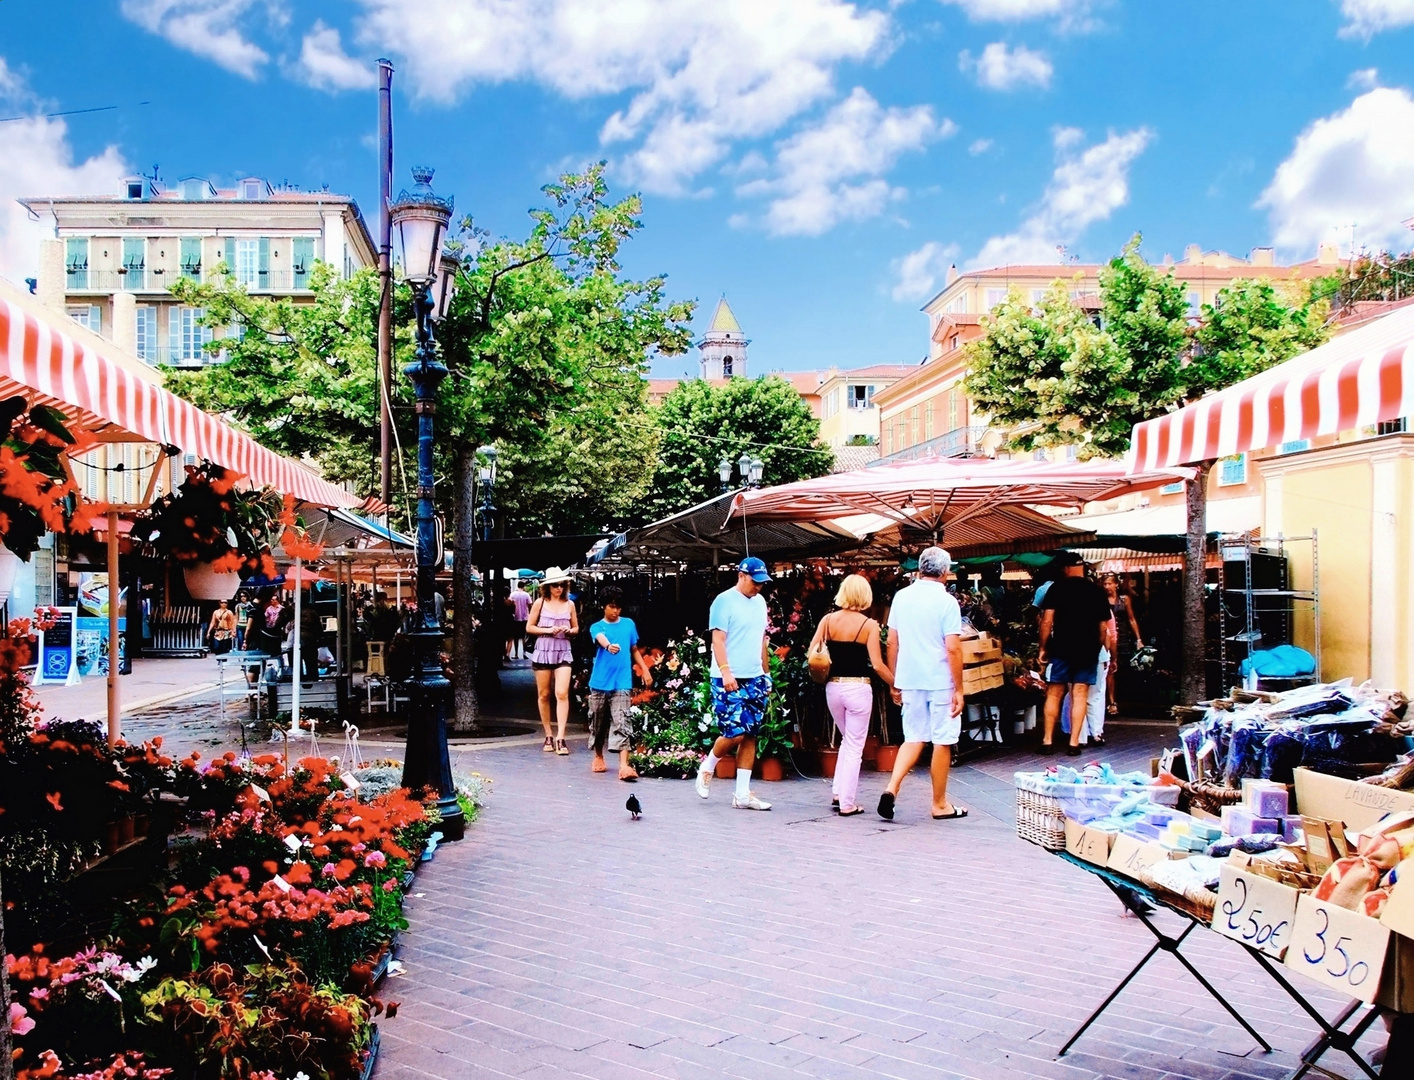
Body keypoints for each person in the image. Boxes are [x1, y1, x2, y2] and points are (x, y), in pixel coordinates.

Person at [878, 547, 966, 822]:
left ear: (920, 568)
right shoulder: (947, 603)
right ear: (945, 572)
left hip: (910, 677)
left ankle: (891, 788)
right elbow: (953, 648)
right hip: (940, 679)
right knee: (943, 739)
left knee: (913, 737)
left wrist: (895, 680)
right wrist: (960, 688)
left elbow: (892, 641)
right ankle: (939, 803)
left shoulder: (902, 597)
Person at [808, 574, 893, 816]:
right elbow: (877, 664)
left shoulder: (827, 620)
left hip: (833, 688)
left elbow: (812, 652)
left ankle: (838, 791)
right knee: (855, 745)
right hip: (858, 688)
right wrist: (895, 684)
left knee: (848, 740)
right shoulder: (869, 626)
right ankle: (847, 803)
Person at [696, 557, 774, 811]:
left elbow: (761, 640)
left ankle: (742, 794)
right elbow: (718, 640)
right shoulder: (724, 601)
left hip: (754, 676)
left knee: (750, 733)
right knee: (735, 732)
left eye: (763, 583)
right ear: (741, 575)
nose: (759, 587)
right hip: (726, 677)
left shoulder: (760, 602)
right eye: (755, 581)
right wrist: (726, 672)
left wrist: (766, 673)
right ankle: (708, 766)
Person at [1039, 553, 1112, 755]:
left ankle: (1047, 741)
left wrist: (1043, 648)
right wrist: (1096, 648)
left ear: (1065, 568)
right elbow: (1104, 627)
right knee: (1080, 695)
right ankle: (1073, 744)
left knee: (1054, 693)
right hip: (1088, 651)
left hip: (1061, 648)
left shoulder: (1057, 588)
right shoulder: (1097, 591)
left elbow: (1047, 621)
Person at [587, 585, 652, 780]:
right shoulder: (596, 627)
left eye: (618, 607)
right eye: (611, 606)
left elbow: (633, 649)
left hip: (622, 681)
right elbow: (600, 639)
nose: (615, 611)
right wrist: (608, 646)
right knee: (598, 722)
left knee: (623, 720)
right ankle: (598, 755)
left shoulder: (629, 624)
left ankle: (624, 765)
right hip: (599, 682)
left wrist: (645, 669)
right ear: (603, 607)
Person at [528, 567, 579, 755]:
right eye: (555, 585)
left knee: (562, 692)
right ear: (548, 586)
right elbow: (529, 627)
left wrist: (569, 631)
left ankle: (561, 737)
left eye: (562, 584)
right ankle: (548, 734)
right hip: (543, 650)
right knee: (544, 694)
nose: (559, 588)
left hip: (563, 650)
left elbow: (576, 628)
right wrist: (549, 630)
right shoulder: (539, 603)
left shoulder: (570, 604)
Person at [1102, 573, 1144, 716]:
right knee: (1110, 670)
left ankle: (1120, 698)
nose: (1107, 586)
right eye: (1105, 584)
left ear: (1116, 584)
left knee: (1122, 668)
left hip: (1123, 637)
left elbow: (1131, 619)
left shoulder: (1124, 600)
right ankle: (1112, 702)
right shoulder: (1102, 601)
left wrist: (1138, 639)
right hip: (1108, 638)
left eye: (1109, 583)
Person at [508, 581, 532, 660]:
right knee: (524, 637)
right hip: (524, 618)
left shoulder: (513, 594)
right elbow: (529, 605)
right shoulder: (526, 595)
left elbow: (510, 605)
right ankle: (524, 653)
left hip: (515, 618)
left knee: (515, 637)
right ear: (523, 586)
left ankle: (516, 653)